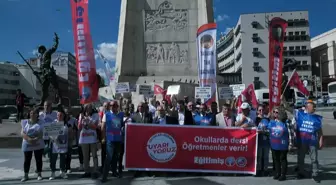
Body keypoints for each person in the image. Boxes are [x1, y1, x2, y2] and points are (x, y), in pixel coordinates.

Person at [295, 100, 323, 183]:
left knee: (314, 159)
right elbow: (288, 109)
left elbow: (320, 132)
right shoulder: (300, 115)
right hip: (302, 141)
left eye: (314, 106)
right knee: (300, 158)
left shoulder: (316, 118)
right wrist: (284, 101)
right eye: (312, 106)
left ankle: (315, 174)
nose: (314, 108)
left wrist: (321, 141)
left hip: (312, 142)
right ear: (307, 107)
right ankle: (301, 172)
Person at [268, 107, 294, 181]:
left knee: (282, 159)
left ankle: (283, 174)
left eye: (277, 112)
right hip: (274, 144)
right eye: (274, 112)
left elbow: (290, 133)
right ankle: (277, 173)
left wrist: (291, 144)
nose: (275, 114)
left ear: (281, 113)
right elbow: (269, 131)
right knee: (276, 159)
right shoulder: (272, 122)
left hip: (283, 144)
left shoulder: (286, 122)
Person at [101, 100, 124, 182]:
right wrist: (103, 138)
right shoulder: (106, 115)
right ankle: (104, 176)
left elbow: (123, 125)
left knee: (116, 157)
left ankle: (114, 172)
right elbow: (102, 127)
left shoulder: (121, 115)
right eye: (111, 105)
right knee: (109, 158)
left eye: (114, 105)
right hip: (110, 140)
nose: (113, 107)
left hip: (118, 140)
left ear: (117, 106)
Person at [20, 107, 45, 182]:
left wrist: (35, 139)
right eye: (31, 113)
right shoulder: (25, 122)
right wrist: (29, 139)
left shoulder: (42, 122)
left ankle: (39, 174)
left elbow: (43, 132)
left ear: (37, 114)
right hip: (27, 143)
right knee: (27, 159)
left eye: (34, 113)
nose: (32, 114)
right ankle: (26, 175)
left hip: (38, 143)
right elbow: (22, 133)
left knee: (38, 159)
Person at [49, 110, 72, 180]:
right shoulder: (53, 123)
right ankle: (53, 173)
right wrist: (54, 138)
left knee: (63, 159)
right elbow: (50, 134)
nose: (59, 116)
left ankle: (62, 172)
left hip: (63, 144)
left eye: (61, 115)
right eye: (58, 115)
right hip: (55, 145)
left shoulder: (66, 124)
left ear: (64, 116)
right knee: (53, 159)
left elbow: (69, 134)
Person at [78, 103, 99, 178]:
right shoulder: (81, 115)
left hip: (92, 138)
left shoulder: (95, 115)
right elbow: (79, 127)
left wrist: (87, 121)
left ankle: (96, 170)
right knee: (85, 156)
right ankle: (87, 171)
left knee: (94, 156)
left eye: (90, 107)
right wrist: (81, 119)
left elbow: (95, 127)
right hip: (84, 139)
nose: (88, 109)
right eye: (87, 108)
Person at [256, 104, 270, 177]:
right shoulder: (255, 119)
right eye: (259, 110)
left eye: (262, 110)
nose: (261, 111)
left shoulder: (267, 119)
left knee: (266, 157)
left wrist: (263, 131)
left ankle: (265, 170)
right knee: (259, 156)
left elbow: (270, 130)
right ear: (257, 111)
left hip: (266, 141)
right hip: (258, 142)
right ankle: (258, 170)